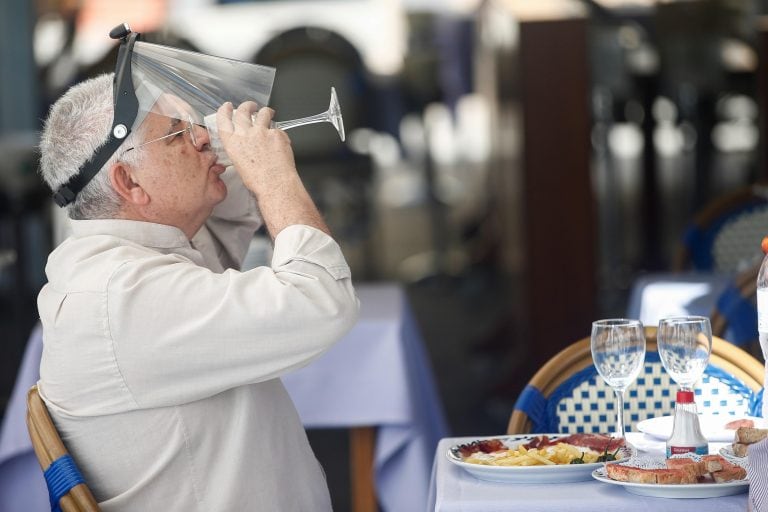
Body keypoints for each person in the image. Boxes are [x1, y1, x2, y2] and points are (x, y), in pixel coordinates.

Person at [36, 69, 359, 510]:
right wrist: (274, 176)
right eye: (176, 136)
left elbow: (226, 214)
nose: (202, 138)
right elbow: (321, 300)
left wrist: (222, 138)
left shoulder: (135, 250)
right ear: (129, 184)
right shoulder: (122, 298)